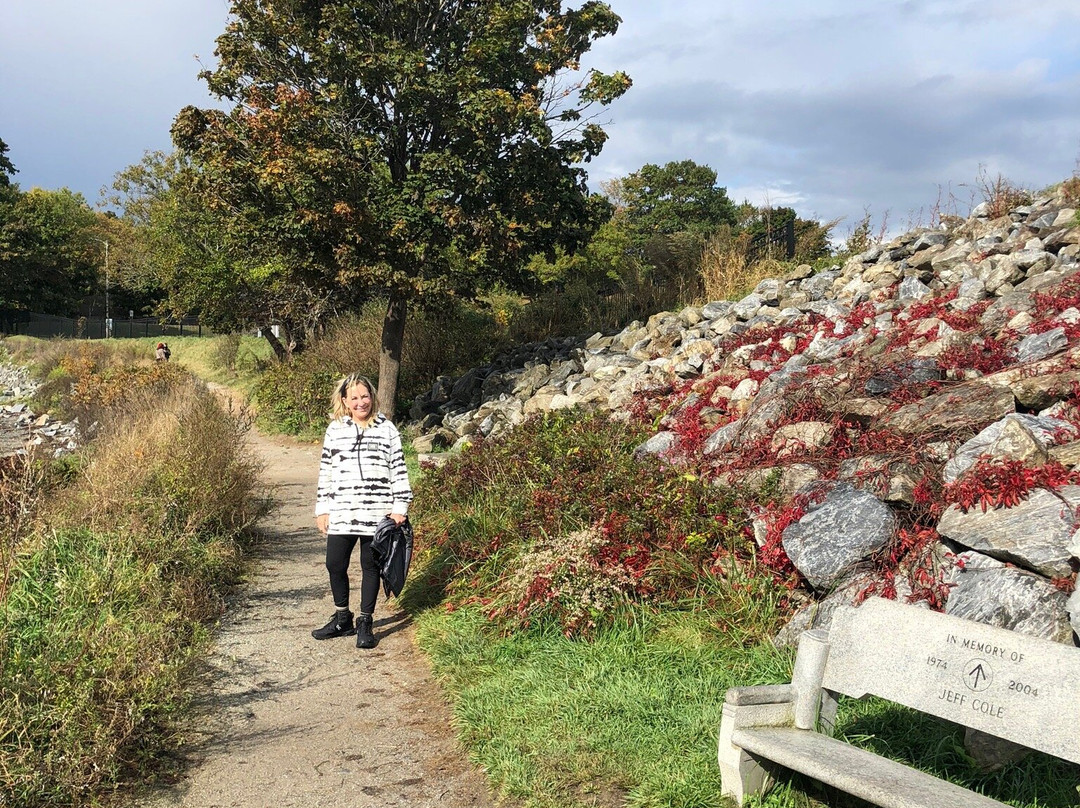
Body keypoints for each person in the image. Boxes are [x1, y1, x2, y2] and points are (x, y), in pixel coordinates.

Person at [313, 372, 412, 649]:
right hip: (342, 511)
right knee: (334, 564)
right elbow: (326, 472)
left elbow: (399, 470)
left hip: (377, 514)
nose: (361, 402)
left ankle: (366, 622)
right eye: (354, 398)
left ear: (373, 397)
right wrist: (323, 509)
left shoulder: (387, 428)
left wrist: (400, 506)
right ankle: (342, 617)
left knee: (371, 567)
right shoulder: (335, 429)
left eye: (365, 396)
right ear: (344, 400)